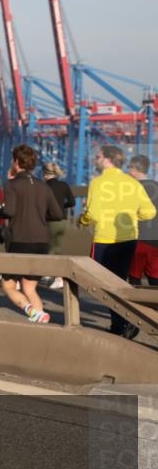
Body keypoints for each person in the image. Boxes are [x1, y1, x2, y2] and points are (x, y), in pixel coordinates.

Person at [81, 145, 156, 338]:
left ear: (107, 160)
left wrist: (83, 219)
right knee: (120, 282)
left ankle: (121, 323)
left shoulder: (97, 183)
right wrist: (131, 216)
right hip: (129, 240)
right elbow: (150, 212)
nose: (95, 160)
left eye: (97, 156)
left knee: (102, 286)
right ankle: (120, 323)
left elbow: (93, 214)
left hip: (104, 240)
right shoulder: (133, 183)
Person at [0, 146, 64, 324]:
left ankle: (28, 309)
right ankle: (39, 316)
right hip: (41, 241)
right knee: (29, 287)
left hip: (20, 240)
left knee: (8, 285)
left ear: (16, 162)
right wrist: (40, 215)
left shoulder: (11, 184)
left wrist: (0, 212)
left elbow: (10, 210)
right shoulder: (43, 186)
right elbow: (58, 214)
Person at [43, 162, 76, 289]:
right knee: (57, 248)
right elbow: (72, 202)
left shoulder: (44, 186)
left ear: (45, 174)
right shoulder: (63, 185)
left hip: (50, 220)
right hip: (63, 221)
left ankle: (50, 274)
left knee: (49, 248)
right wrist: (62, 207)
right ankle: (58, 277)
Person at [128, 155, 158, 288]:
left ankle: (136, 307)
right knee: (155, 277)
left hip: (138, 238)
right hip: (156, 239)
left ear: (134, 168)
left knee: (134, 277)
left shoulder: (131, 189)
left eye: (129, 167)